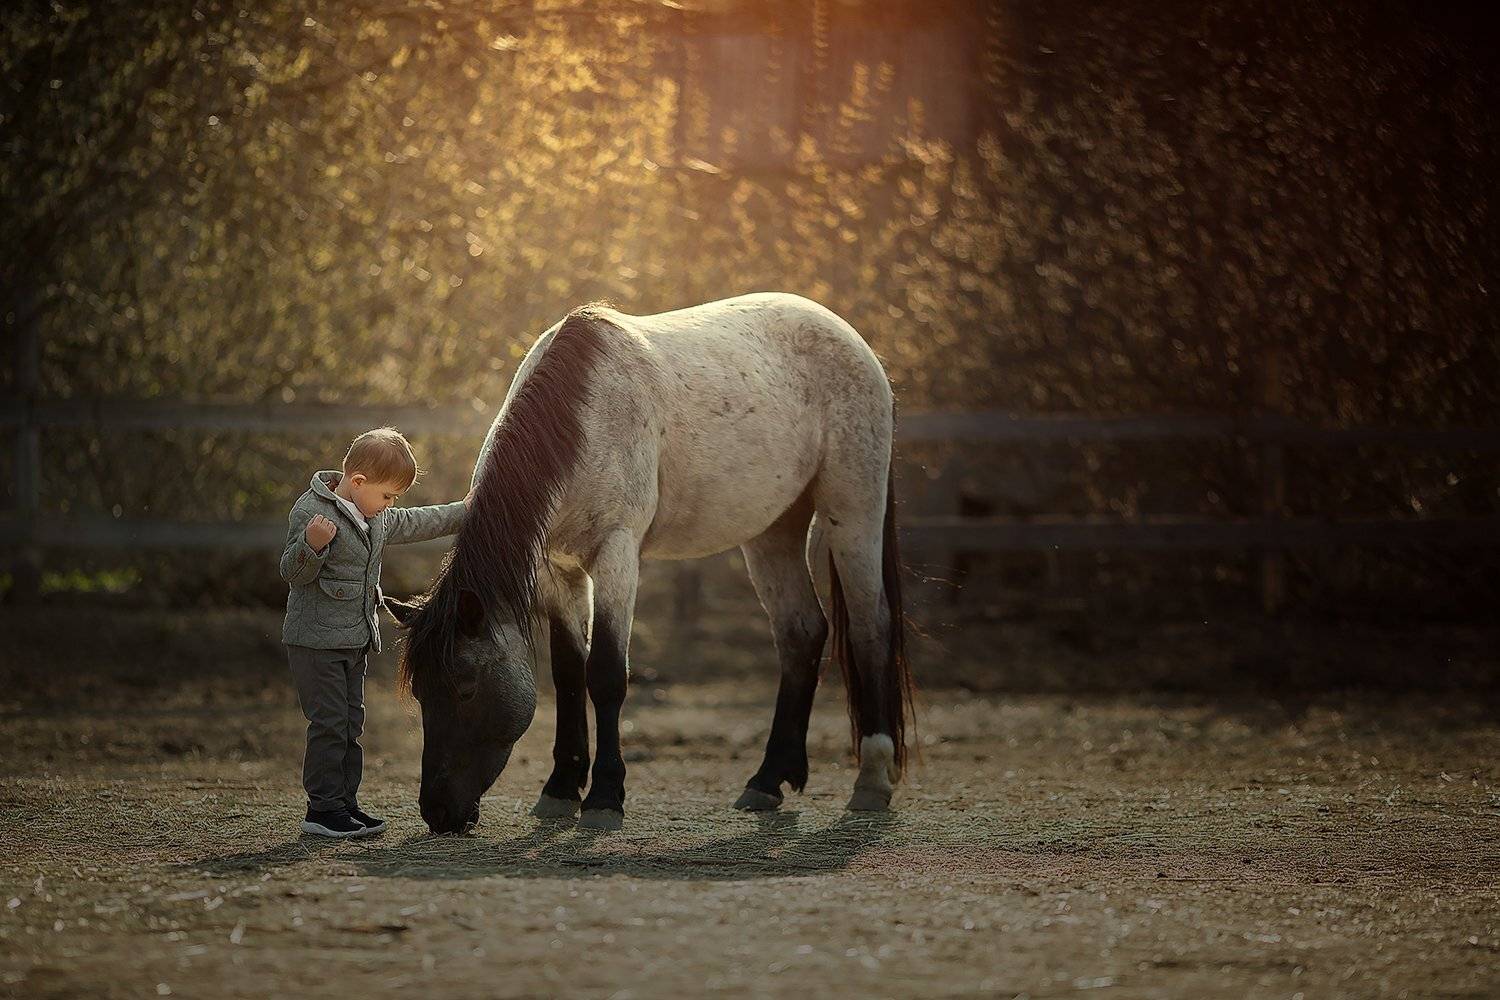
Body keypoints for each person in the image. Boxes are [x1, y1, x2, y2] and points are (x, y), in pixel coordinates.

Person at [279, 427, 468, 838]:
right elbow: (293, 573)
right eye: (387, 496)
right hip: (316, 643)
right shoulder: (313, 513)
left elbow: (418, 522)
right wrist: (311, 545)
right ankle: (323, 811)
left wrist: (466, 510)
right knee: (328, 724)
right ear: (359, 482)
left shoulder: (373, 517)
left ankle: (345, 804)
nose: (390, 506)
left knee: (350, 724)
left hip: (353, 641)